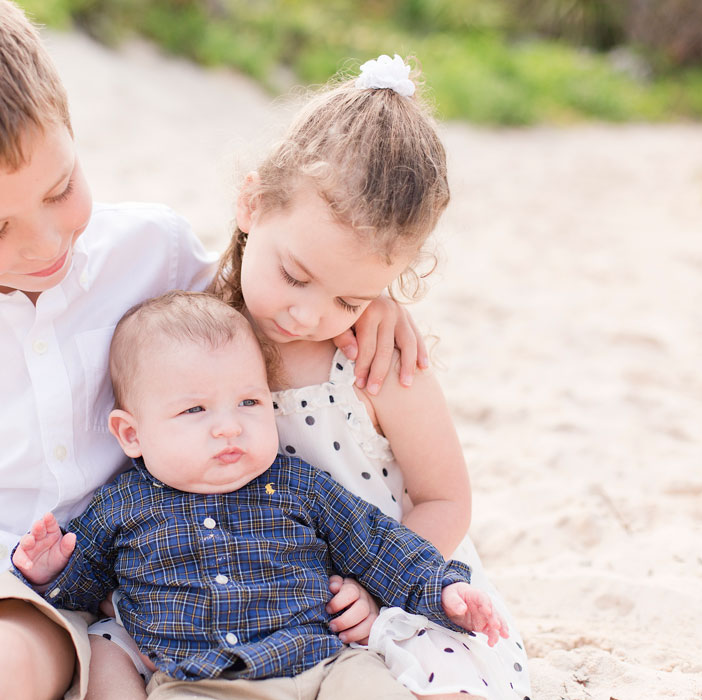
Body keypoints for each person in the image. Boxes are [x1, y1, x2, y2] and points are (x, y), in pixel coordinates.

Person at [0, 4, 424, 699]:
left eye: (61, 189)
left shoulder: (152, 251)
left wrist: (366, 297)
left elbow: (264, 297)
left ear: (71, 134)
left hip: (55, 573)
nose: (45, 242)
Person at [208, 54, 533, 698]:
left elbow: (445, 499)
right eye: (295, 276)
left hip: (374, 597)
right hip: (243, 591)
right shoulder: (195, 327)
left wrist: (375, 584)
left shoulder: (374, 364)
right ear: (251, 203)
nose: (308, 315)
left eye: (350, 300)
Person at [12, 291, 509, 700]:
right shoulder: (121, 507)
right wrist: (49, 570)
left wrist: (443, 591)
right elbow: (82, 592)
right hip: (200, 681)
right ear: (131, 434)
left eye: (249, 402)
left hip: (326, 665)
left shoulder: (300, 485)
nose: (229, 427)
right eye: (195, 410)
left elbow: (381, 547)